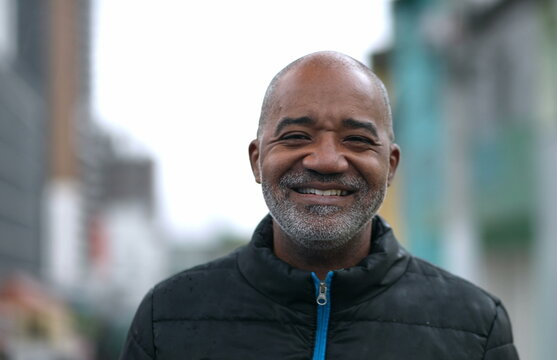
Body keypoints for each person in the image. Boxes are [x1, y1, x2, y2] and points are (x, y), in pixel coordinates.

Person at [119, 51, 519, 359]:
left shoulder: (475, 328)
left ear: (390, 165)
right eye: (295, 136)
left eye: (358, 140)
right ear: (257, 160)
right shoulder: (167, 317)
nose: (326, 160)